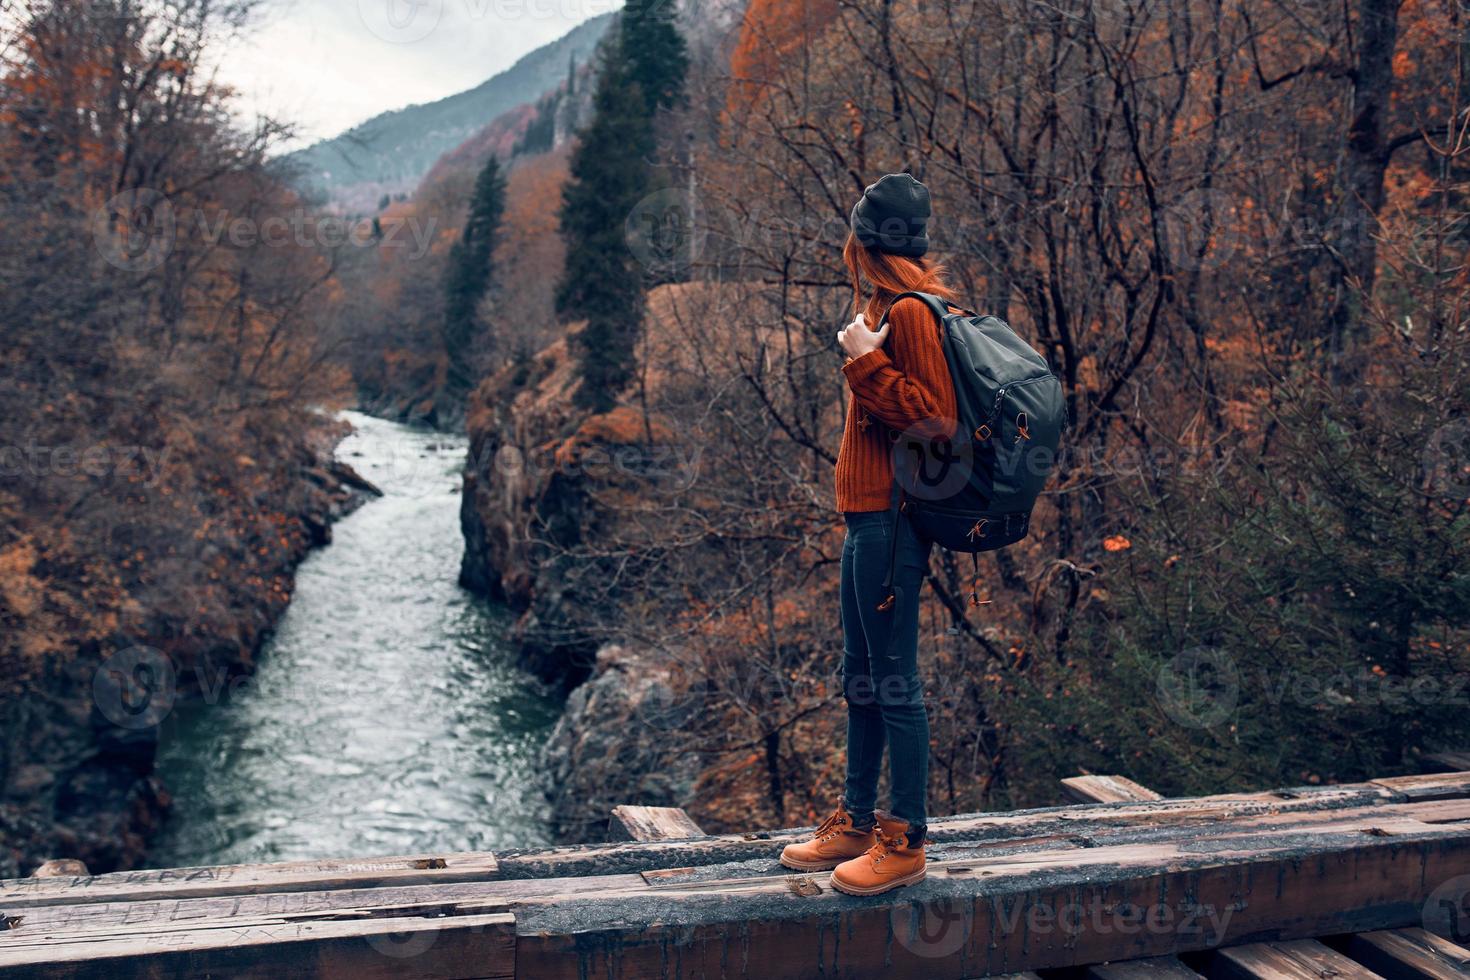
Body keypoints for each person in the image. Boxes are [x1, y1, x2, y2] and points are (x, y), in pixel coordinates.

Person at [779, 173, 959, 896]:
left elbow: (934, 423)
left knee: (894, 681)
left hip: (892, 522)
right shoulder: (883, 307)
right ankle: (855, 822)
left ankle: (905, 838)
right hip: (867, 519)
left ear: (866, 242)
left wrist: (865, 361)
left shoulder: (913, 314)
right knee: (861, 677)